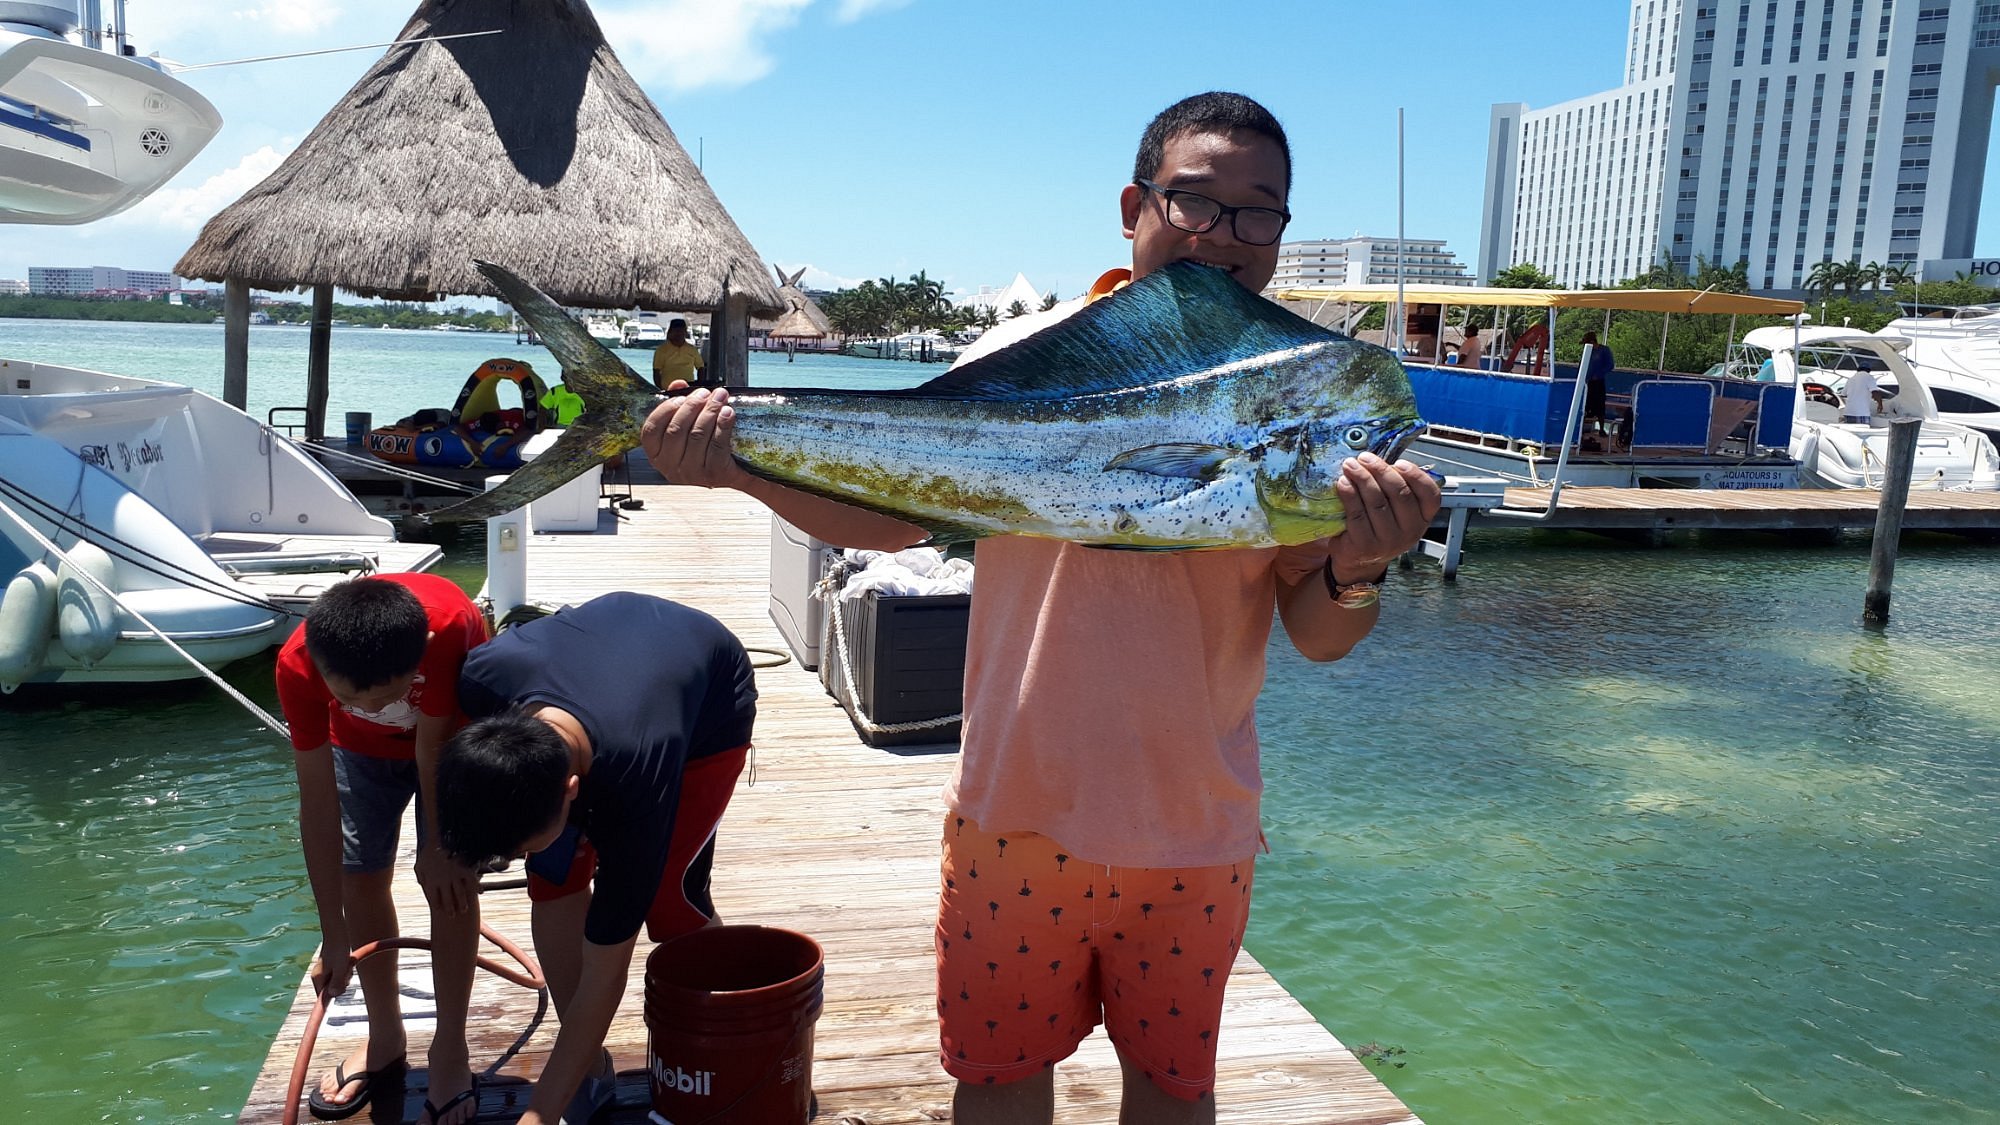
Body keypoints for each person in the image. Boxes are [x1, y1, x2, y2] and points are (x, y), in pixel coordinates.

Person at [637, 90, 1440, 1124]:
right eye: (1195, 201)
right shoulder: (1021, 351)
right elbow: (891, 523)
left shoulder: (1304, 387)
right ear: (1133, 204)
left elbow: (1321, 633)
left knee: (1171, 1087)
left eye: (1259, 211)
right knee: (998, 1079)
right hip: (1014, 814)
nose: (1225, 234)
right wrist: (736, 470)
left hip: (1195, 832)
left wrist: (1361, 566)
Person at [432, 592, 758, 1125]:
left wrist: (538, 1114)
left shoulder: (638, 786)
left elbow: (608, 972)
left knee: (669, 903)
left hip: (707, 699)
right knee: (554, 882)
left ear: (571, 791)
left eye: (519, 849)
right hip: (601, 654)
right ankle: (587, 1067)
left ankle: (717, 1055)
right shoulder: (481, 678)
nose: (513, 861)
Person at [274, 573, 489, 1124]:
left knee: (451, 882)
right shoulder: (297, 664)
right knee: (361, 873)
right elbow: (317, 803)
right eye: (348, 697)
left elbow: (433, 747)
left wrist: (440, 848)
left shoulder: (446, 633)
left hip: (451, 736)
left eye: (386, 695)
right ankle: (385, 1036)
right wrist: (332, 932)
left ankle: (451, 1050)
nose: (368, 704)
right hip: (359, 751)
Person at [650, 318, 708, 391]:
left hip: (687, 389)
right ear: (670, 332)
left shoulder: (692, 349)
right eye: (676, 331)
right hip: (669, 390)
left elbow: (700, 367)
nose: (679, 334)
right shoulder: (661, 350)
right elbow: (656, 371)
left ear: (685, 332)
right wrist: (661, 389)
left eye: (681, 331)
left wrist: (699, 385)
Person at [1581, 330, 1615, 421]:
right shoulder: (1588, 352)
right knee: (1586, 403)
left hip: (1598, 381)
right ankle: (1583, 426)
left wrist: (1599, 374)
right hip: (1588, 381)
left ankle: (1601, 427)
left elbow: (1610, 365)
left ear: (1592, 342)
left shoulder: (1604, 350)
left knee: (1600, 405)